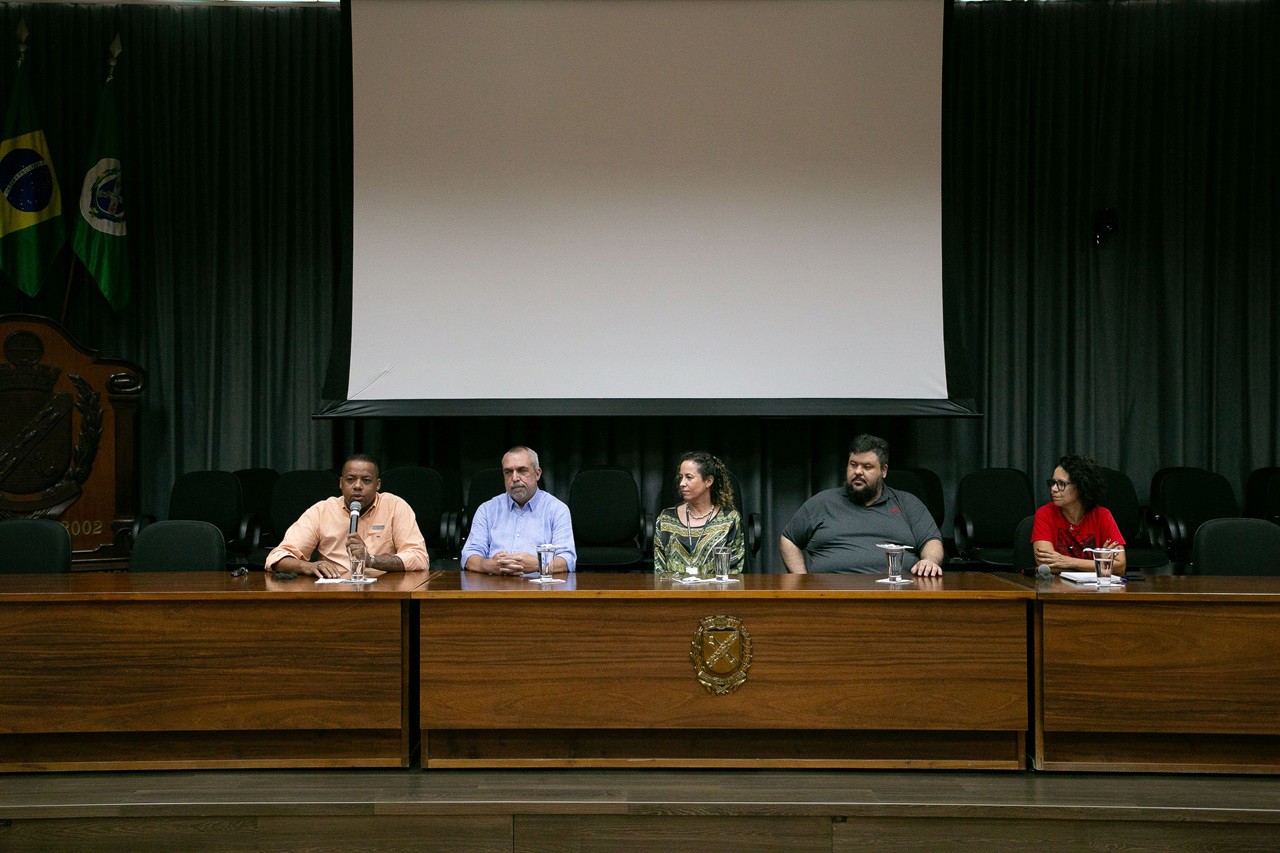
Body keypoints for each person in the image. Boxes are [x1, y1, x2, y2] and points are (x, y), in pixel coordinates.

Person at [780, 435, 943, 575]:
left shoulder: (907, 503)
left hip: (895, 595)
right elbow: (789, 539)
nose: (858, 472)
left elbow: (931, 540)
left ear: (883, 471)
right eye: (853, 465)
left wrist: (929, 561)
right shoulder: (822, 503)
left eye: (867, 467)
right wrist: (801, 580)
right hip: (830, 598)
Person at [265, 454, 429, 578]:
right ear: (341, 483)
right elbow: (277, 557)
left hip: (383, 589)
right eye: (351, 480)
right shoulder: (323, 510)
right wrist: (307, 566)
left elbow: (419, 558)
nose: (358, 486)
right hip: (334, 591)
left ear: (377, 484)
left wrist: (371, 559)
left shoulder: (395, 507)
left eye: (366, 480)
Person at [461, 446, 577, 575]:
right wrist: (488, 565)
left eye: (522, 470)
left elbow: (567, 560)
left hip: (540, 589)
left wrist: (537, 564)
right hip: (495, 587)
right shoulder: (487, 510)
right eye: (508, 472)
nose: (515, 478)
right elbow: (469, 556)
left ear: (537, 474)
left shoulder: (557, 510)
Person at [653, 452, 746, 576]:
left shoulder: (729, 519)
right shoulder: (666, 519)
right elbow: (659, 570)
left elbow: (735, 571)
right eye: (681, 477)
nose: (682, 483)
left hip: (716, 592)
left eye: (689, 477)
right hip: (673, 592)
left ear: (708, 481)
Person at [1032, 455, 1126, 575]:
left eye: (1061, 484)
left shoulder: (1103, 515)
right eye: (1053, 483)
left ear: (1081, 486)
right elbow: (1046, 565)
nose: (1053, 489)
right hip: (1056, 588)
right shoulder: (1045, 513)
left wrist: (1068, 562)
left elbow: (1121, 567)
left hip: (1094, 591)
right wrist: (1098, 564)